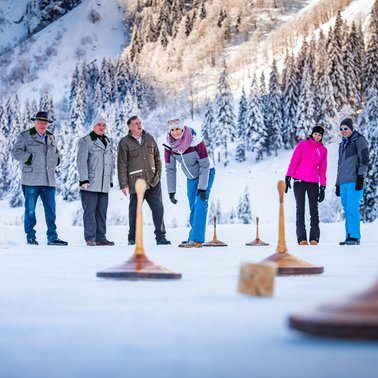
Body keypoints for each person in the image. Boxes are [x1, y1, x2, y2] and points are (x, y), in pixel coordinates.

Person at [11, 111, 68, 246]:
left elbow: (56, 153)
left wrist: (57, 160)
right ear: (35, 122)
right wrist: (30, 158)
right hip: (31, 180)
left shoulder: (51, 137)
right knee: (30, 209)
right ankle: (31, 237)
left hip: (49, 180)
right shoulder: (25, 136)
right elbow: (15, 152)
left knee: (51, 210)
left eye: (45, 122)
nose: (43, 124)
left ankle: (52, 238)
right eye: (40, 122)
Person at [117, 115, 170, 246]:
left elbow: (157, 157)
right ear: (130, 127)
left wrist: (158, 175)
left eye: (140, 122)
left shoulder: (149, 138)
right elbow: (121, 164)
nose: (139, 125)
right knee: (134, 212)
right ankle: (132, 237)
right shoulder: (124, 142)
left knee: (158, 210)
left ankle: (161, 237)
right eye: (136, 123)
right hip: (136, 183)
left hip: (153, 182)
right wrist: (124, 184)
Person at [164, 118, 215, 248]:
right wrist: (171, 191)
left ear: (182, 129)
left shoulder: (196, 142)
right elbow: (170, 169)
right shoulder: (169, 145)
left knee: (200, 203)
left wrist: (203, 188)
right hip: (191, 177)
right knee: (193, 206)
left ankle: (197, 240)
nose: (175, 133)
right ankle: (192, 237)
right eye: (172, 130)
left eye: (178, 129)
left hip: (206, 172)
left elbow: (204, 165)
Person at [285, 125, 327, 245]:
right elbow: (294, 161)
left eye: (320, 135)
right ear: (312, 134)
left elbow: (323, 169)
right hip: (299, 182)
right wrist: (288, 176)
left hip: (313, 183)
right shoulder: (302, 145)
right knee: (300, 210)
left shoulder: (323, 150)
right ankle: (302, 238)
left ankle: (314, 238)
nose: (317, 136)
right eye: (316, 134)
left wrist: (323, 186)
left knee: (314, 211)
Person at [77, 116, 115, 246]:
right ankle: (90, 238)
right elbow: (81, 162)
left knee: (101, 212)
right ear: (94, 126)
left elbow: (110, 162)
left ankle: (101, 237)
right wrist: (84, 180)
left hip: (103, 184)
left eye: (104, 125)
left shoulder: (108, 141)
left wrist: (110, 180)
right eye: (99, 124)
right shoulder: (85, 141)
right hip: (90, 183)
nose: (102, 127)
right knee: (90, 212)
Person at [335, 118, 369, 246]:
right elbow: (340, 166)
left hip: (355, 181)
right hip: (343, 182)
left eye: (345, 128)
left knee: (352, 208)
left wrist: (361, 176)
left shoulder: (359, 140)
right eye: (341, 129)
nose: (343, 131)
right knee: (347, 208)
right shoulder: (342, 145)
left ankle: (355, 236)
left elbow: (364, 160)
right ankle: (349, 235)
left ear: (351, 128)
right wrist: (337, 184)